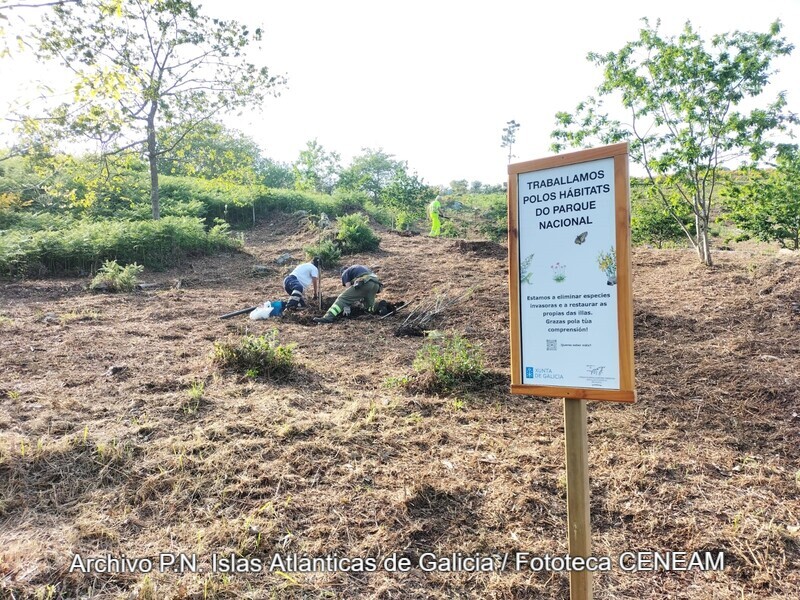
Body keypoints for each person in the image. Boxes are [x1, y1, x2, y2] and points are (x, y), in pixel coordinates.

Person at [313, 265, 382, 324]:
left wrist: (346, 305)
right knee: (369, 306)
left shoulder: (345, 273)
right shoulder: (358, 268)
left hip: (365, 282)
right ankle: (380, 307)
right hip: (376, 283)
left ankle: (328, 317)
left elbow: (348, 290)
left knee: (342, 298)